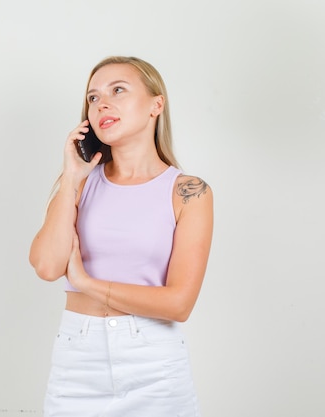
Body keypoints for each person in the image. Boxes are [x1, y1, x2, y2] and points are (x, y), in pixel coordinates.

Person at [29, 56, 213, 417]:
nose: (103, 104)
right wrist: (71, 176)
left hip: (155, 364)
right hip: (78, 363)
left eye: (118, 91)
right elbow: (48, 266)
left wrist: (84, 281)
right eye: (93, 97)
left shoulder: (189, 192)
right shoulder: (78, 186)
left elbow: (179, 304)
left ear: (155, 105)